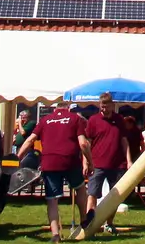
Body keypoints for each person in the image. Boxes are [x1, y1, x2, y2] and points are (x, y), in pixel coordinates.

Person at [17, 101, 91, 243]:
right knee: (80, 189)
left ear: (55, 109)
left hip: (49, 162)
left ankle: (55, 235)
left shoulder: (45, 120)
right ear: (68, 108)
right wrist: (89, 162)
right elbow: (83, 143)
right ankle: (84, 220)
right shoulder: (75, 118)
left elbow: (30, 140)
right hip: (70, 160)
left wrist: (17, 158)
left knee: (52, 200)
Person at [84, 95, 132, 234]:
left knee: (115, 198)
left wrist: (129, 160)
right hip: (97, 163)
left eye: (106, 105)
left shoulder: (119, 120)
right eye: (102, 106)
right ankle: (89, 221)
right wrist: (85, 162)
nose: (104, 108)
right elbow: (87, 143)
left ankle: (109, 224)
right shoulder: (93, 120)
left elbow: (124, 141)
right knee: (92, 193)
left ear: (112, 105)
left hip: (117, 164)